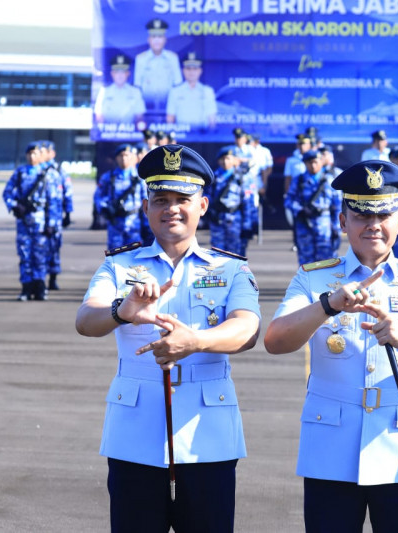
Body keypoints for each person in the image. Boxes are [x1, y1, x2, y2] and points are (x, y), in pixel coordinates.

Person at [264, 159, 398, 533]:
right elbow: (275, 341)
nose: (373, 224)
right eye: (360, 215)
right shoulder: (314, 279)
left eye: (384, 214)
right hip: (330, 450)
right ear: (343, 222)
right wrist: (327, 305)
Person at [75, 144, 261, 533]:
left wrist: (196, 341)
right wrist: (120, 311)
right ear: (146, 208)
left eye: (182, 199)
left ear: (204, 205)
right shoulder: (119, 266)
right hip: (135, 434)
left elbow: (247, 329)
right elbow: (86, 319)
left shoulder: (230, 268)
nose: (171, 208)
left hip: (206, 434)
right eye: (160, 199)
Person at [2, 141, 53, 301]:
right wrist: (14, 206)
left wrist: (52, 223)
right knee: (24, 255)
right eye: (29, 153)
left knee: (40, 255)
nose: (32, 156)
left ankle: (40, 287)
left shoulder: (48, 174)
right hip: (24, 222)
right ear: (26, 155)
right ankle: (26, 288)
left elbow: (54, 201)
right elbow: (7, 192)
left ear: (41, 155)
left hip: (41, 223)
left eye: (35, 153)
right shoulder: (20, 172)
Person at [284, 150, 342, 264]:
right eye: (309, 163)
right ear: (305, 164)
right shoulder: (299, 180)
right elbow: (288, 200)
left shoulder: (329, 180)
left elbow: (337, 206)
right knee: (306, 265)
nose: (313, 165)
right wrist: (300, 209)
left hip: (325, 228)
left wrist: (336, 228)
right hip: (304, 227)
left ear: (321, 162)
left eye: (316, 162)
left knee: (327, 263)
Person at [93, 144, 150, 249]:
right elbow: (98, 196)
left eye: (127, 155)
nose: (124, 158)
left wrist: (148, 226)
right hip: (115, 225)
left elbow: (148, 201)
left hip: (134, 226)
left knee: (135, 260)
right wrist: (105, 209)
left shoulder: (140, 178)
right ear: (117, 158)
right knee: (115, 258)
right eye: (121, 155)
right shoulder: (109, 177)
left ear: (133, 157)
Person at [204, 146, 257, 257]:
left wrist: (248, 225)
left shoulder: (241, 177)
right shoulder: (213, 177)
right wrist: (209, 212)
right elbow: (206, 197)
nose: (225, 162)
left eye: (228, 158)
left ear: (234, 160)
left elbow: (248, 202)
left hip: (235, 221)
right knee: (217, 254)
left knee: (236, 255)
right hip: (217, 220)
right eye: (222, 159)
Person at [42, 140, 74, 291]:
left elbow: (67, 191)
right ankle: (39, 280)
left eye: (46, 151)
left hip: (55, 217)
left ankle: (53, 278)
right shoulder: (35, 169)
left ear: (52, 153)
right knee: (39, 248)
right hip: (39, 217)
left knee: (54, 247)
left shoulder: (59, 170)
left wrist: (68, 212)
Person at [134, 18, 182, 118]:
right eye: (153, 36)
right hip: (146, 109)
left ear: (165, 39)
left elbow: (178, 85)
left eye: (160, 36)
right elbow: (137, 87)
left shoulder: (172, 58)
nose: (156, 40)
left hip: (169, 109)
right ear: (149, 39)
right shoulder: (141, 59)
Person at [166, 51, 217, 129]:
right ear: (183, 71)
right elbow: (170, 118)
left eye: (195, 69)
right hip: (181, 135)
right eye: (188, 69)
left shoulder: (207, 91)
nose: (191, 72)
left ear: (200, 71)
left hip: (203, 136)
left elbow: (212, 119)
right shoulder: (175, 92)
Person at [94, 54, 146, 125]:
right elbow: (99, 116)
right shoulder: (104, 91)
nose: (120, 75)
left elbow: (139, 116)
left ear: (128, 73)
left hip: (129, 133)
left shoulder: (135, 92)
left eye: (123, 72)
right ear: (112, 74)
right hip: (108, 133)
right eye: (117, 72)